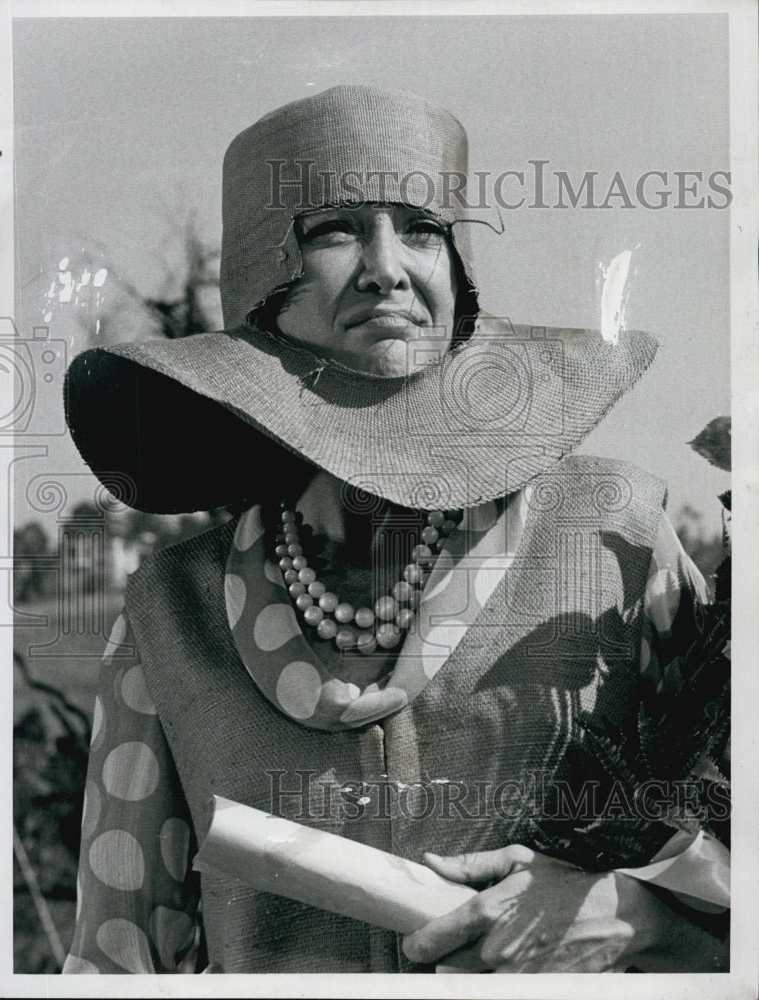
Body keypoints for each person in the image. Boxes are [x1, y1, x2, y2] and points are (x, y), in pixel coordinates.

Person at [62, 85, 729, 974]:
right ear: (264, 292)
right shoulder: (168, 616)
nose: (388, 267)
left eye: (421, 229)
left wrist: (642, 916)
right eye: (335, 230)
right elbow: (116, 962)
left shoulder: (617, 535)